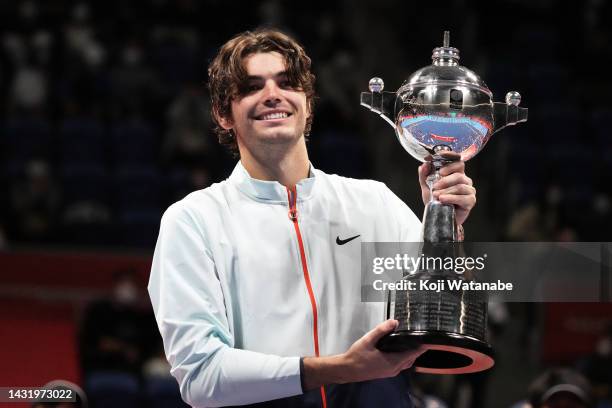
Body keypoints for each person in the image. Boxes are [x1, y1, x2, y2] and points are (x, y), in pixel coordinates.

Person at [148, 29, 476, 407]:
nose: (273, 94)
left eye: (286, 83)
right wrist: (341, 367)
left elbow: (446, 313)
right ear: (224, 114)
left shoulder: (374, 202)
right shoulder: (194, 220)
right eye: (252, 87)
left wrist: (447, 227)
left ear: (307, 104)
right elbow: (201, 377)